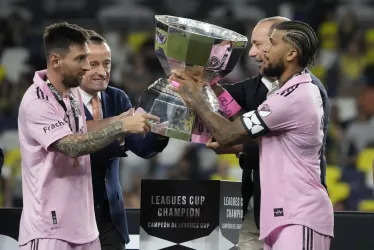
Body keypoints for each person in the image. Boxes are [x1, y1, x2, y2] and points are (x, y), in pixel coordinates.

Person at [169, 20, 333, 250]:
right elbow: (248, 131)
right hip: (280, 217)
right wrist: (207, 84)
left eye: (270, 44)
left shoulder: (298, 95)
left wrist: (196, 98)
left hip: (299, 215)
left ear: (291, 54)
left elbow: (227, 134)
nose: (261, 51)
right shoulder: (285, 92)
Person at [17, 22, 159, 250]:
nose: (87, 69)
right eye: (81, 60)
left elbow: (84, 128)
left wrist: (124, 119)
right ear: (55, 61)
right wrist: (121, 127)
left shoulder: (69, 93)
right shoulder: (37, 103)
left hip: (86, 229)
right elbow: (71, 145)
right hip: (50, 230)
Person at [79, 30, 169, 250]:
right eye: (94, 64)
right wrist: (116, 131)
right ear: (78, 64)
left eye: (107, 64)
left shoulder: (117, 97)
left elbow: (141, 148)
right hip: (74, 214)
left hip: (111, 217)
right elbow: (75, 144)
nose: (102, 71)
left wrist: (160, 131)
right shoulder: (61, 102)